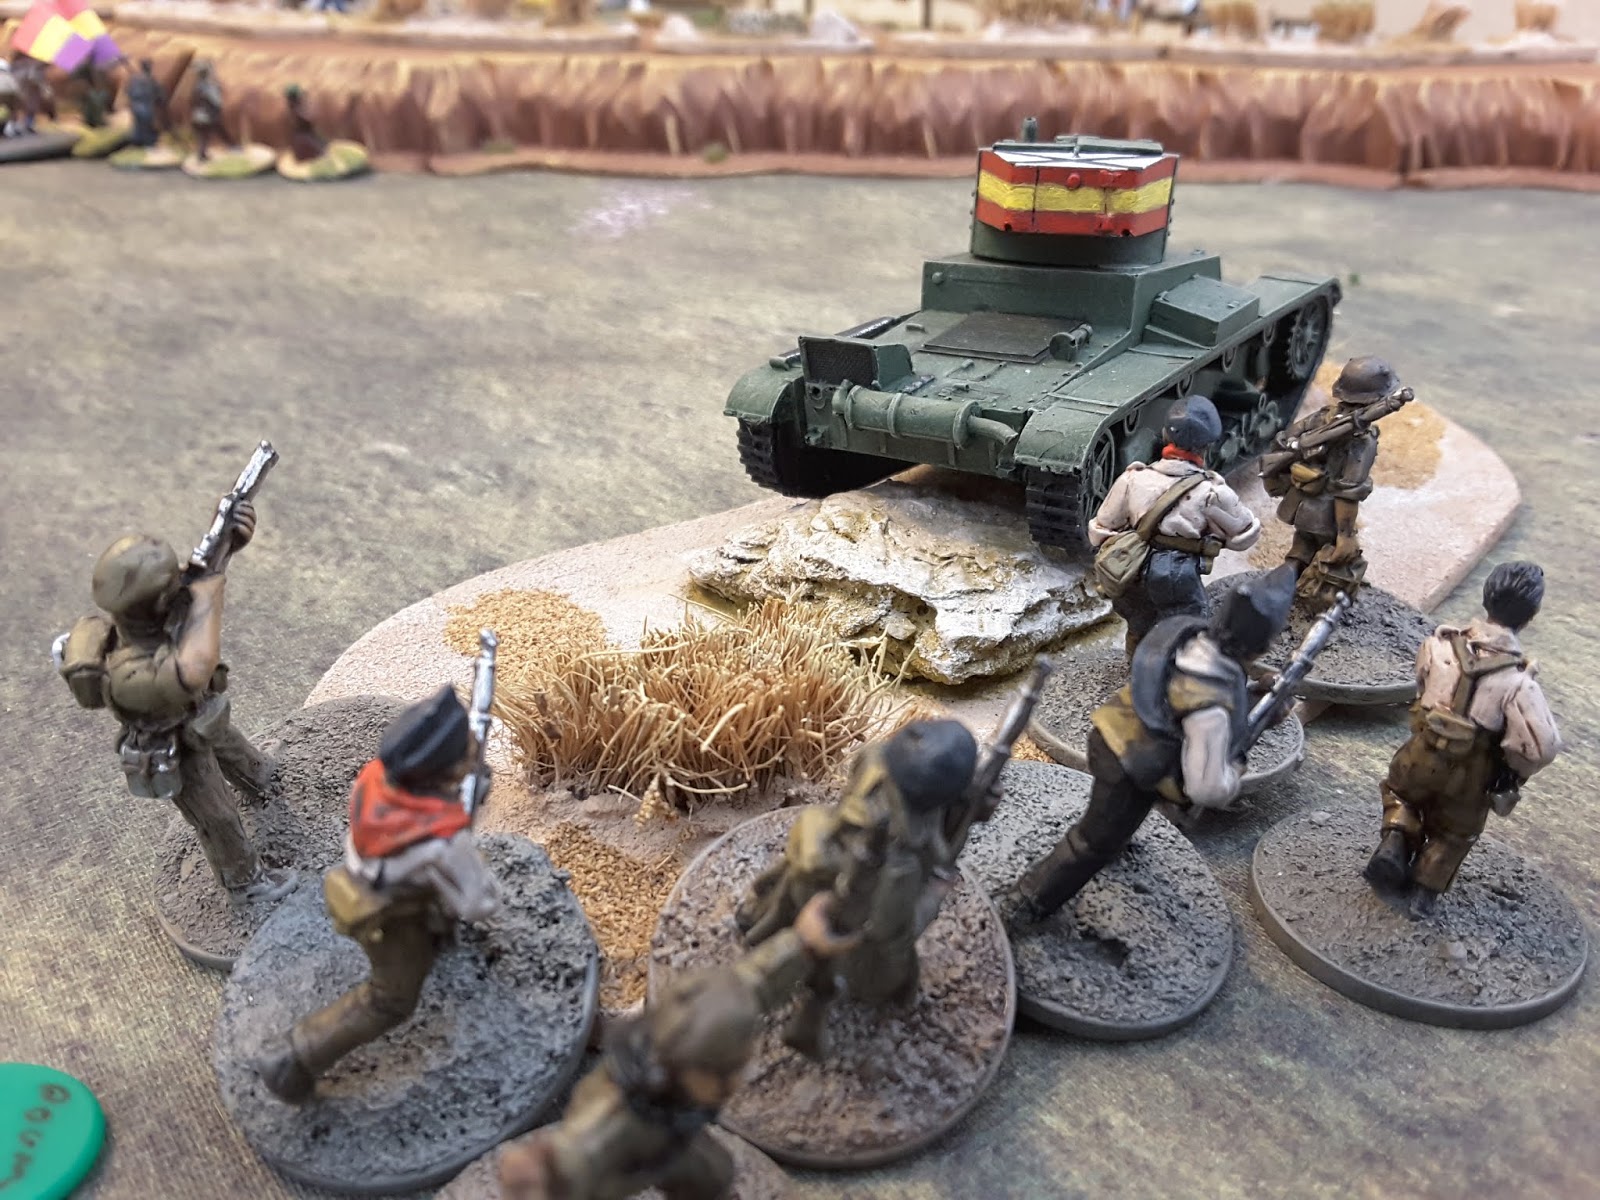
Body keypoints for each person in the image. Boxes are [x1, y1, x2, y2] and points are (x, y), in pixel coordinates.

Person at [498, 893, 855, 1200]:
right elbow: (583, 1144)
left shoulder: (682, 1033)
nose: (741, 1076)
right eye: (729, 1071)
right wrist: (549, 1172)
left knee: (713, 1174)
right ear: (697, 1074)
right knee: (711, 1172)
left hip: (674, 1133)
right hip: (642, 1153)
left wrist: (802, 944)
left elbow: (748, 988)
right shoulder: (622, 1119)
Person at [1012, 565, 1297, 923]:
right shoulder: (1209, 704)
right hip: (1128, 762)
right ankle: (1027, 900)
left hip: (1122, 737)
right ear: (1259, 645)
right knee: (1092, 842)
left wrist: (1258, 702)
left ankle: (1115, 838)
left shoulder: (1192, 641)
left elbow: (1200, 703)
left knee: (1120, 823)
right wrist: (1234, 769)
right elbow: (1207, 787)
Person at [255, 686, 498, 1103]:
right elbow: (478, 904)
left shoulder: (375, 780)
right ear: (445, 771)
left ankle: (436, 942)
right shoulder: (441, 838)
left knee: (429, 913)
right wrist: (471, 864)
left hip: (369, 881)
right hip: (390, 916)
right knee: (390, 1001)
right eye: (465, 751)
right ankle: (293, 1059)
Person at [58, 508, 288, 905]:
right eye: (172, 584)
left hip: (202, 718)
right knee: (218, 816)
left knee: (242, 757)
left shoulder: (159, 618)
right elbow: (193, 669)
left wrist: (227, 546)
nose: (182, 584)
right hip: (176, 748)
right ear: (156, 600)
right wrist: (211, 590)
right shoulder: (127, 671)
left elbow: (196, 582)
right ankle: (246, 883)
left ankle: (264, 784)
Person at [733, 719, 978, 1057]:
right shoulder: (903, 861)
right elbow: (892, 932)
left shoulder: (875, 760)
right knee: (857, 969)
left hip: (814, 881)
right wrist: (935, 894)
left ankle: (775, 937)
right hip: (848, 927)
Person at [1365, 561, 1562, 917]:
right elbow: (1541, 747)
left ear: (1486, 597)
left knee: (1401, 794)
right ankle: (1423, 893)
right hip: (1472, 773)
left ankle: (1396, 836)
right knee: (1455, 834)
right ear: (1530, 616)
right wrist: (1512, 771)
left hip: (1422, 750)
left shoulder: (1438, 645)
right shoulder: (1519, 683)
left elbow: (1421, 684)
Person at [1089, 394, 1262, 657]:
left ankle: (1138, 669)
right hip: (1177, 573)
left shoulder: (1133, 478)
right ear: (1207, 446)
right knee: (1187, 629)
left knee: (1139, 625)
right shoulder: (1212, 492)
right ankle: (1173, 672)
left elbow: (1100, 530)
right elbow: (1245, 535)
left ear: (1165, 435)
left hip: (1132, 568)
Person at [1262, 356, 1401, 609]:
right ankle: (1302, 602)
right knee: (1335, 556)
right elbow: (1348, 491)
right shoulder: (1362, 439)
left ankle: (1277, 592)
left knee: (1301, 549)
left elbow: (1285, 437)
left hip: (1300, 504)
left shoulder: (1322, 417)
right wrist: (1346, 534)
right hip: (1327, 514)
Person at [188, 61, 227, 161]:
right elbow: (216, 102)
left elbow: (192, 102)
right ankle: (202, 156)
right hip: (207, 116)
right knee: (210, 133)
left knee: (203, 137)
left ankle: (201, 155)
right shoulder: (207, 87)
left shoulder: (198, 86)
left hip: (198, 115)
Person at [125, 58, 167, 148]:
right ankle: (147, 142)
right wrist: (161, 100)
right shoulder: (151, 80)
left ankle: (137, 141)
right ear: (148, 68)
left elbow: (128, 91)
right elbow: (159, 93)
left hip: (136, 105)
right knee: (146, 124)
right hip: (146, 105)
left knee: (139, 124)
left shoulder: (134, 79)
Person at [284, 84, 327, 162]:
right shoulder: (296, 109)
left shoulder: (296, 107)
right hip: (304, 138)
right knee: (321, 153)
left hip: (307, 136)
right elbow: (308, 119)